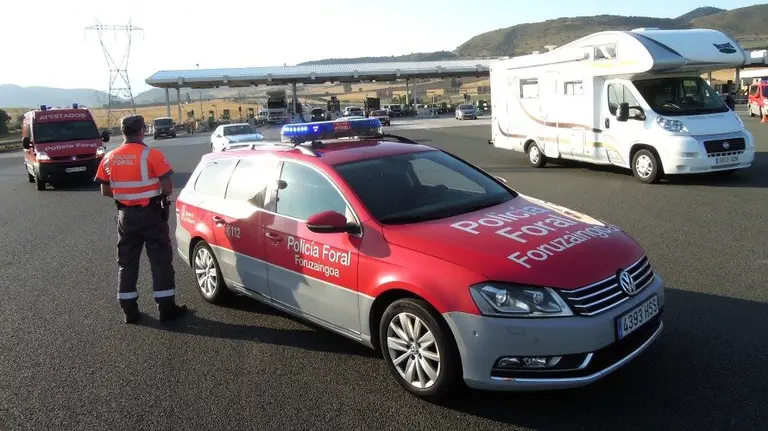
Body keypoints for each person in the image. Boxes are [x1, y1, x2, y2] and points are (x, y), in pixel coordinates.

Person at [94, 115, 188, 324]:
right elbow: (167, 186)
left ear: (123, 131)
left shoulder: (109, 157)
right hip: (152, 213)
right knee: (160, 260)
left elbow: (105, 190)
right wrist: (157, 196)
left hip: (125, 216)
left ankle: (129, 311)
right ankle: (166, 308)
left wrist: (126, 197)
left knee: (127, 262)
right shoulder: (151, 154)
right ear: (142, 130)